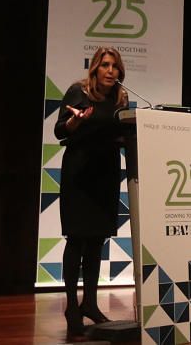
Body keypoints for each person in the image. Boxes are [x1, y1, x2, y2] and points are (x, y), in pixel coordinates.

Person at [54, 47, 133, 336]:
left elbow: (118, 133)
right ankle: (72, 307)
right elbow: (60, 130)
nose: (111, 71)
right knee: (77, 239)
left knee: (97, 239)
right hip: (80, 172)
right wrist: (75, 121)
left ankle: (90, 303)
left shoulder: (119, 98)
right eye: (106, 65)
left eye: (115, 67)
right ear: (95, 69)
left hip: (106, 172)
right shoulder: (79, 92)